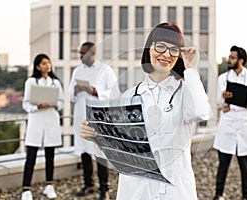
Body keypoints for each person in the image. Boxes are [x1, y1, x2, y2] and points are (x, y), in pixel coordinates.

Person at [80, 22, 212, 200]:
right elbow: (120, 146)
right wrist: (95, 135)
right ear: (149, 48)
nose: (166, 54)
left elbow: (200, 112)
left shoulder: (185, 91)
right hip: (135, 189)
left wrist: (189, 68)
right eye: (160, 46)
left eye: (174, 50)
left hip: (175, 189)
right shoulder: (130, 95)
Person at [69, 42, 120, 200]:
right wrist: (76, 90)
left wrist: (95, 91)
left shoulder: (105, 70)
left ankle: (104, 188)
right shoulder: (77, 71)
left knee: (100, 152)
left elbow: (115, 94)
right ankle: (88, 184)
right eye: (80, 53)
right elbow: (70, 95)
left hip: (98, 118)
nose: (81, 56)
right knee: (84, 152)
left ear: (92, 53)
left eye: (84, 53)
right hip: (80, 115)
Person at [212, 46, 247, 200]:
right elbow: (219, 102)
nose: (229, 60)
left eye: (232, 58)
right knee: (223, 163)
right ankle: (218, 194)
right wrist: (225, 98)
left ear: (241, 60)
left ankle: (246, 196)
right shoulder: (223, 78)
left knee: (246, 165)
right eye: (229, 57)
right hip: (227, 124)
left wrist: (231, 103)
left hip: (245, 124)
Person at [21, 54, 64, 200]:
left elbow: (62, 102)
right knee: (31, 156)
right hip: (36, 121)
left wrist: (53, 103)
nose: (47, 66)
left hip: (51, 120)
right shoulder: (31, 82)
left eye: (49, 63)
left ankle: (49, 186)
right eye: (44, 63)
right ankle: (26, 189)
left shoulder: (55, 83)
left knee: (50, 156)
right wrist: (36, 106)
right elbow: (25, 104)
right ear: (38, 66)